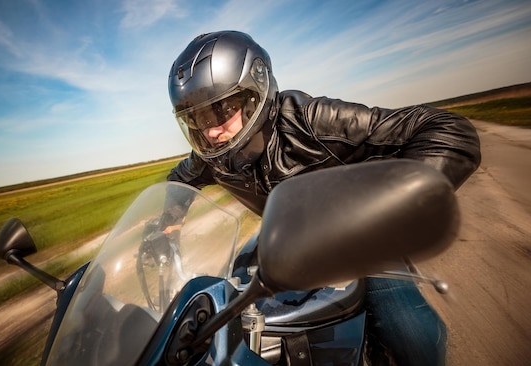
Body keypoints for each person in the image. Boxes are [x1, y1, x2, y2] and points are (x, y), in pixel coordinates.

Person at [163, 30, 481, 365]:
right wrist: (166, 226)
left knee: (413, 336)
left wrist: (386, 211)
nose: (210, 132)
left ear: (254, 95)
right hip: (285, 229)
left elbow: (447, 130)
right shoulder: (212, 156)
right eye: (197, 118)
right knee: (230, 308)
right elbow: (179, 180)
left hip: (357, 231)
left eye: (220, 110)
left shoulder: (311, 120)